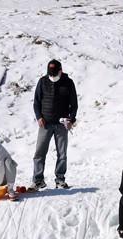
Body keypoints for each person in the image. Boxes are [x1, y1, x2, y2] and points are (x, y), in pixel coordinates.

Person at [29, 59, 78, 191]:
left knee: (62, 154)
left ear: (61, 71)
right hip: (45, 123)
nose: (52, 77)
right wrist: (39, 117)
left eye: (55, 74)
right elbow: (36, 102)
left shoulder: (68, 83)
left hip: (62, 124)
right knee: (39, 153)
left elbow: (74, 104)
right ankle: (38, 180)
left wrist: (71, 120)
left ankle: (60, 180)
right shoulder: (43, 81)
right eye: (51, 75)